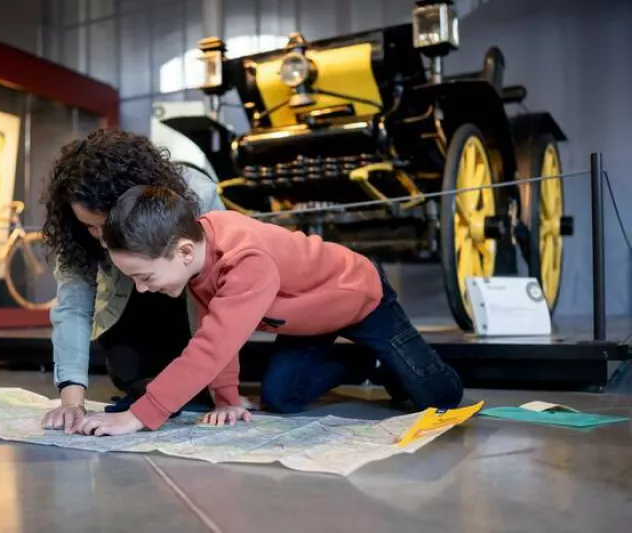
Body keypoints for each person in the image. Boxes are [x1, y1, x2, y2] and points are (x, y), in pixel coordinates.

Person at [75, 184, 464, 436]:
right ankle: (371, 363)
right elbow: (214, 323)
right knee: (281, 398)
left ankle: (394, 359)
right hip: (307, 319)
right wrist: (227, 398)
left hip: (360, 297)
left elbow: (212, 346)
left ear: (184, 252)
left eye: (144, 276)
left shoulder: (245, 261)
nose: (141, 289)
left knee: (438, 396)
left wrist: (139, 415)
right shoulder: (197, 254)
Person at [39, 128, 226, 434]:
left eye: (106, 226)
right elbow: (73, 308)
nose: (101, 240)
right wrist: (71, 402)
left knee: (201, 389)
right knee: (138, 380)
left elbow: (223, 292)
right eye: (90, 227)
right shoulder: (76, 229)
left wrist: (222, 389)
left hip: (191, 307)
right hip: (129, 314)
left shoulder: (198, 194)